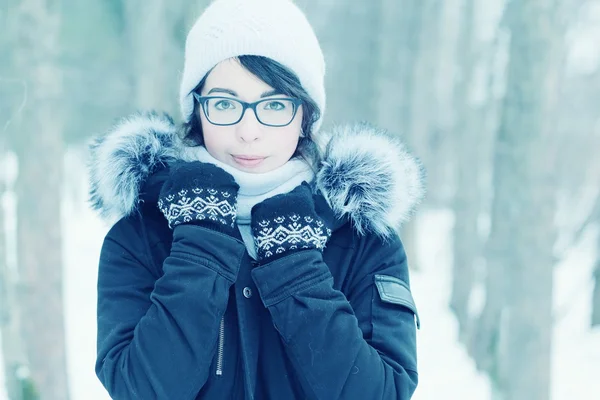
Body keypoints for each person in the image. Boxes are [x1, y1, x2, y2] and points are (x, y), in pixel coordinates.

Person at [88, 0, 425, 398]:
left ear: (306, 115)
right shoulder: (140, 235)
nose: (249, 131)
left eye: (275, 105)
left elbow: (380, 393)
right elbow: (139, 389)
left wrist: (296, 267)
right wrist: (200, 246)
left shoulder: (363, 238)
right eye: (226, 104)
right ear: (197, 109)